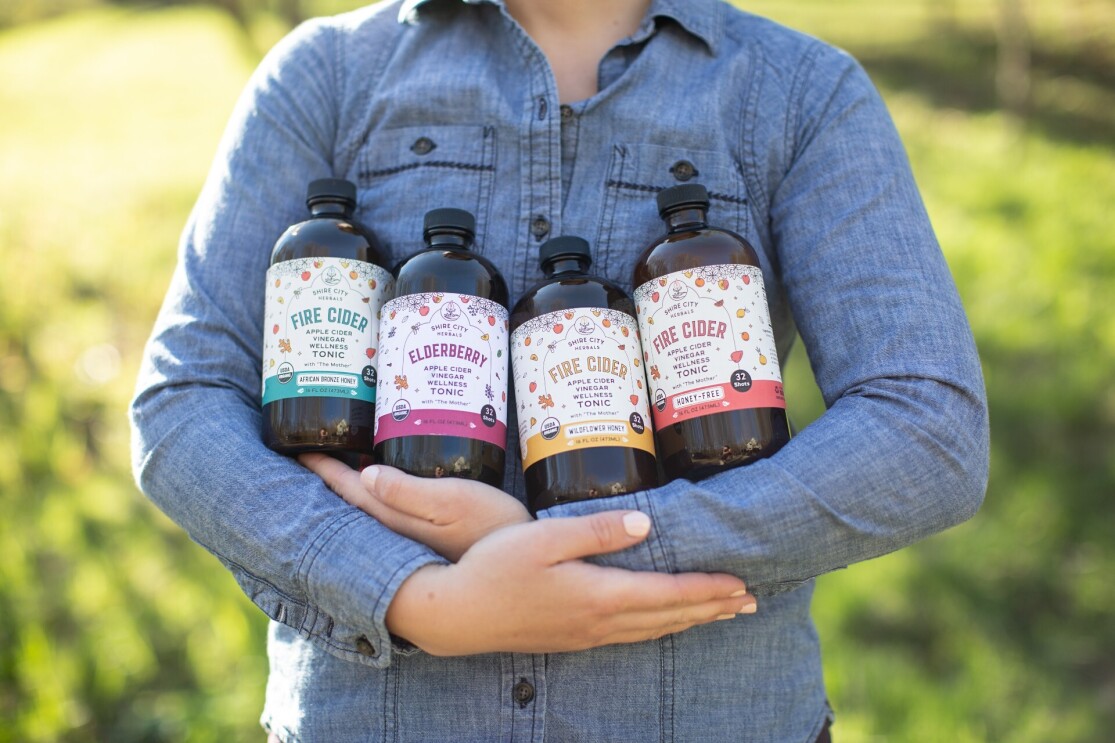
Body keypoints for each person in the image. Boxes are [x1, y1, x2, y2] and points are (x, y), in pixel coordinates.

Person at [130, 0, 989, 740]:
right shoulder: (327, 76)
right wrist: (417, 598)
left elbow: (925, 429)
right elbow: (185, 403)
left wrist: (594, 557)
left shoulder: (798, 93)